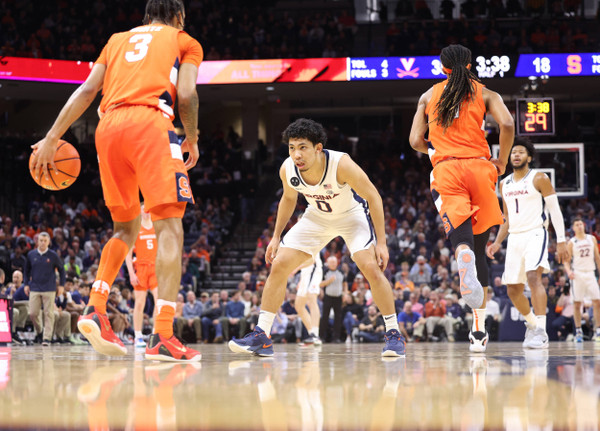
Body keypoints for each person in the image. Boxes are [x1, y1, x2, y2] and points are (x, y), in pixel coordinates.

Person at [31, 0, 203, 362]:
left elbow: (86, 91)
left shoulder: (116, 39)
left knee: (124, 228)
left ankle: (95, 306)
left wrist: (51, 137)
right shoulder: (184, 40)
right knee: (170, 227)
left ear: (146, 15)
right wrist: (192, 136)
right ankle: (164, 334)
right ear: (179, 16)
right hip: (151, 124)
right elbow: (187, 94)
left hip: (107, 128)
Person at [229, 118, 405, 357]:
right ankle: (262, 336)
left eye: (303, 147)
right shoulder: (288, 169)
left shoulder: (341, 164)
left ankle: (394, 334)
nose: (296, 154)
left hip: (351, 216)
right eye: (292, 148)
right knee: (279, 264)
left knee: (371, 268)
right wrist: (276, 236)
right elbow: (288, 199)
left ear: (318, 148)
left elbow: (374, 197)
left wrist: (381, 242)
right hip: (317, 216)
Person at [409, 44, 515, 352]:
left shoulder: (428, 96)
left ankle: (461, 252)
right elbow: (508, 124)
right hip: (481, 168)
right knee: (481, 249)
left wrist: (435, 149)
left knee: (463, 241)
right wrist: (502, 160)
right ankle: (478, 330)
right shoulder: (486, 93)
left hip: (447, 169)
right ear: (469, 65)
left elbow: (415, 140)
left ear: (442, 68)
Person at [487, 139, 569, 349]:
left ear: (529, 157)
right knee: (513, 290)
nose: (516, 155)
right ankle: (532, 324)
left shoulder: (539, 178)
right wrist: (497, 242)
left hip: (535, 233)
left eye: (521, 152)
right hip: (514, 237)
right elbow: (506, 218)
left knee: (533, 277)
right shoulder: (504, 183)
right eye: (513, 152)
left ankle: (541, 331)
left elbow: (555, 210)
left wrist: (561, 240)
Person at [125, 204, 158, 348]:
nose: (146, 211)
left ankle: (156, 334)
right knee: (139, 303)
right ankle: (138, 335)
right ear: (139, 211)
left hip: (155, 267)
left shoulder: (157, 226)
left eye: (148, 209)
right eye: (143, 209)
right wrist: (131, 273)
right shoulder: (136, 228)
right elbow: (127, 253)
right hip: (141, 268)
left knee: (159, 302)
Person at [24, 232, 65, 346]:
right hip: (35, 287)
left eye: (45, 241)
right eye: (41, 240)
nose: (43, 243)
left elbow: (62, 270)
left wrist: (61, 285)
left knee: (49, 313)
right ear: (37, 241)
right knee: (33, 313)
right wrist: (26, 284)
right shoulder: (31, 254)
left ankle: (47, 338)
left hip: (49, 288)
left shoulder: (53, 255)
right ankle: (39, 331)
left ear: (49, 242)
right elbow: (26, 271)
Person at [564, 217, 600, 342]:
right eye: (577, 224)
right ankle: (578, 332)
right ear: (573, 228)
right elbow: (566, 261)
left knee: (597, 302)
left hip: (590, 273)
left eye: (581, 224)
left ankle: (598, 331)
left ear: (584, 225)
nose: (579, 226)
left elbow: (597, 258)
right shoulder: (571, 242)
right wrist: (569, 272)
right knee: (577, 303)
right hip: (577, 274)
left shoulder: (591, 238)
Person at [294, 252, 323, 345]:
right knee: (299, 305)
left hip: (313, 268)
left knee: (311, 300)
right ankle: (312, 335)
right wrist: (301, 279)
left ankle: (315, 335)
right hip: (305, 272)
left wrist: (295, 269)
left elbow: (312, 260)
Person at [319, 255, 345, 343]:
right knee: (324, 317)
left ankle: (336, 338)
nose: (333, 264)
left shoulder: (341, 272)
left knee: (338, 318)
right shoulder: (325, 272)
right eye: (331, 262)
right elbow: (320, 284)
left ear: (337, 263)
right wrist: (329, 281)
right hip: (328, 297)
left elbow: (345, 283)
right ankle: (321, 337)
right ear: (328, 263)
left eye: (334, 262)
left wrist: (345, 293)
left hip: (338, 297)